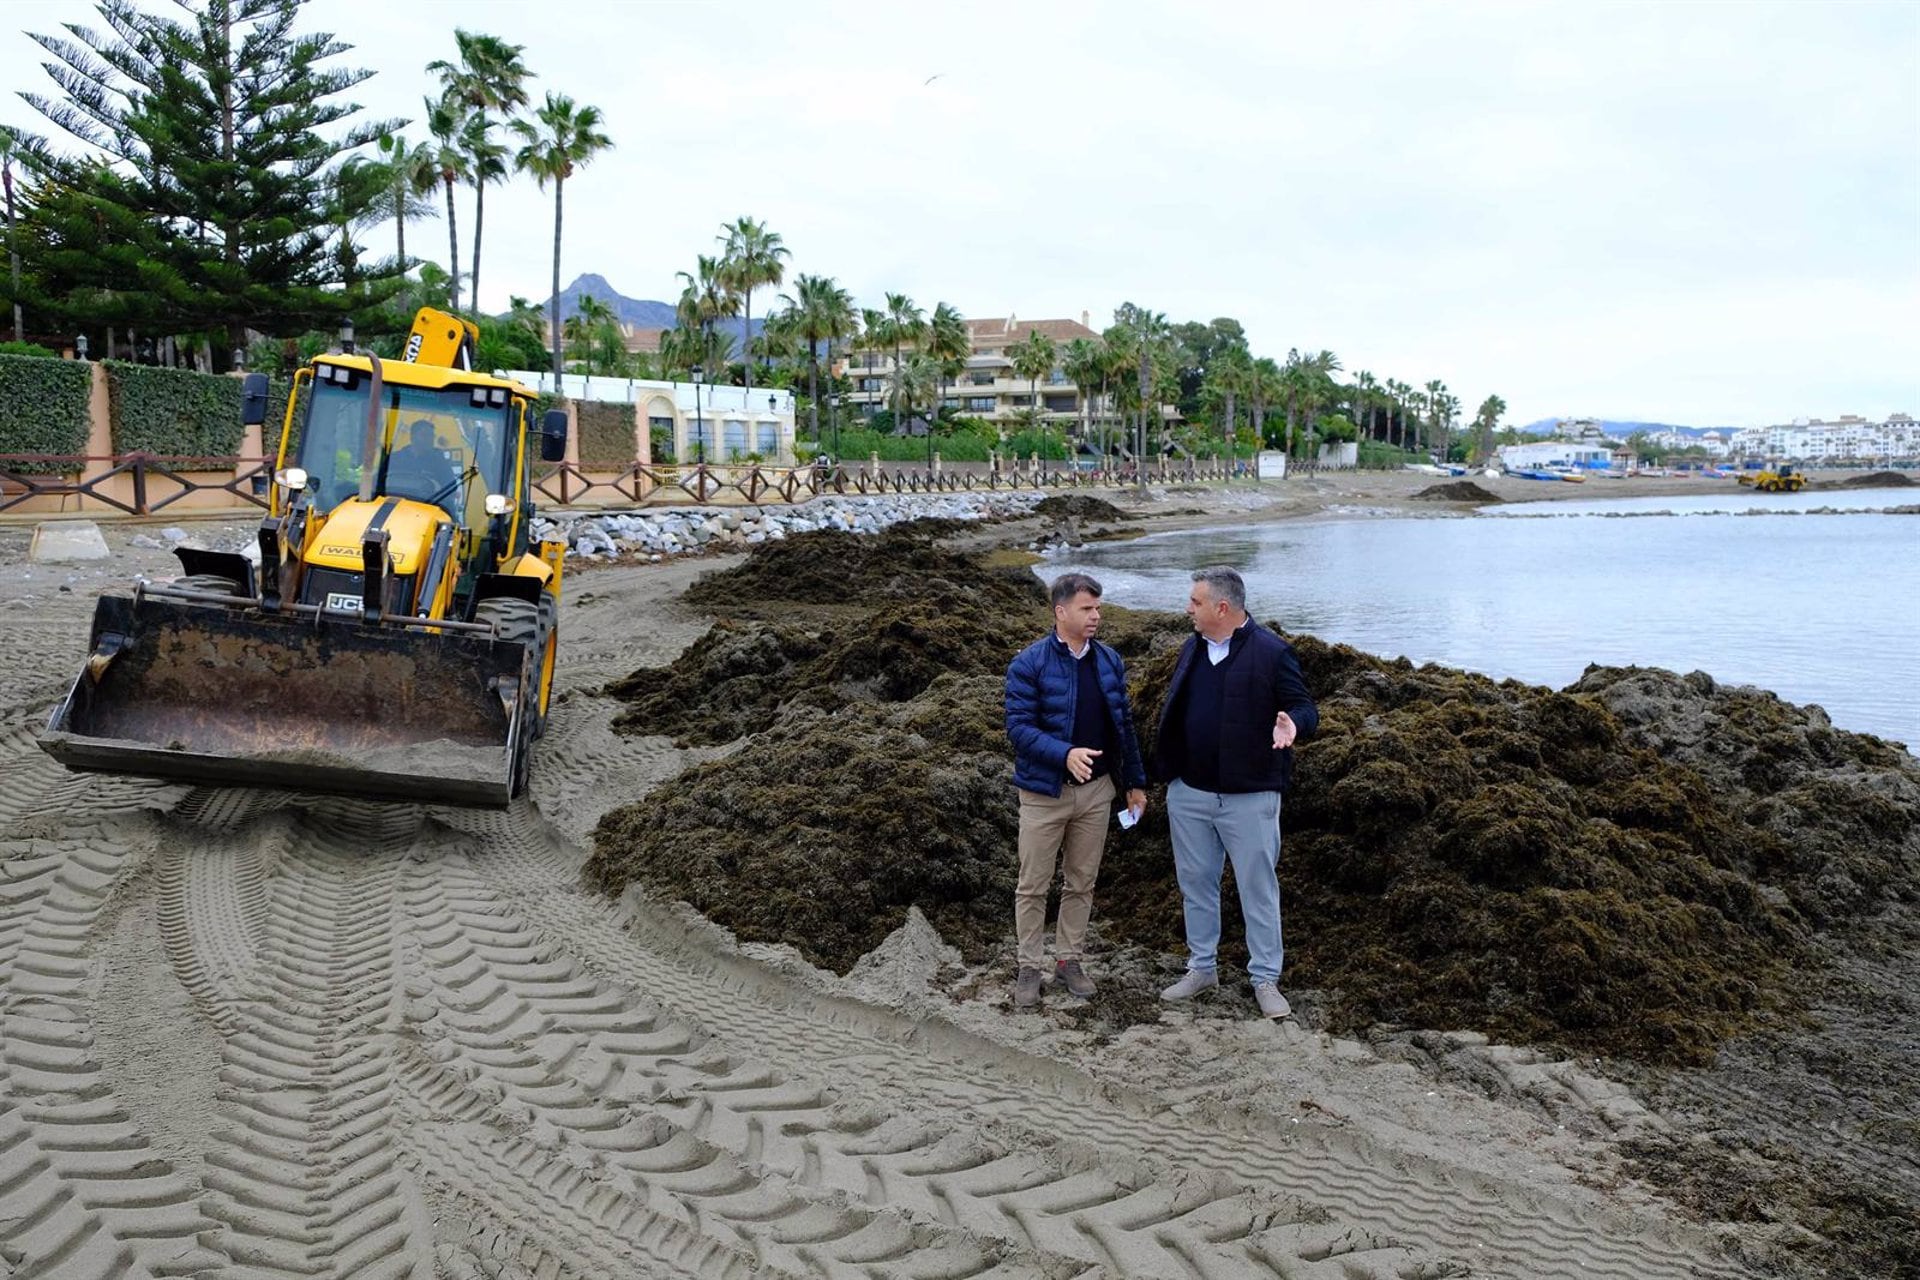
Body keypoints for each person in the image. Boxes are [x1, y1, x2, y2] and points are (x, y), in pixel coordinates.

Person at [1153, 566, 1318, 1019]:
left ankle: (1265, 978)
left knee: (1257, 889)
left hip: (1251, 797)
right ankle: (1202, 968)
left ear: (1221, 607)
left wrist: (1293, 724)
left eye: (1196, 602)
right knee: (1196, 885)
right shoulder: (1192, 648)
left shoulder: (1272, 652)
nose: (1189, 608)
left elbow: (1305, 707)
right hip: (1190, 793)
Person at [1003, 572, 1148, 1010]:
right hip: (1044, 793)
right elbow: (1019, 729)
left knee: (1082, 882)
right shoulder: (1028, 664)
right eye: (1087, 609)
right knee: (1033, 885)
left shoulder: (1109, 661)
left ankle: (1069, 960)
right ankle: (1029, 966)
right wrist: (1064, 753)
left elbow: (1123, 727)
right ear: (1060, 611)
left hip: (1098, 791)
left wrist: (1135, 784)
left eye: (1098, 609)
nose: (1096, 617)